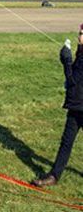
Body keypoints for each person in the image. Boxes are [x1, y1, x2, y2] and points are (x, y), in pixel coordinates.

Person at [31, 25, 83, 187]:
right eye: (79, 33)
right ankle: (54, 175)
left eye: (82, 33)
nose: (79, 36)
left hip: (80, 106)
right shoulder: (81, 54)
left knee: (66, 142)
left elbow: (73, 82)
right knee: (66, 142)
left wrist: (66, 61)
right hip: (76, 107)